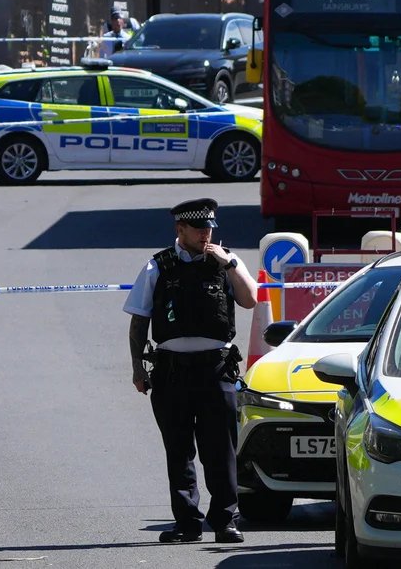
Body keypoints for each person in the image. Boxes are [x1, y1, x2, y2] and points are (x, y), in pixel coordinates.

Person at [123, 198, 257, 545]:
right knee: (179, 450)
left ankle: (226, 521)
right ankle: (187, 523)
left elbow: (249, 300)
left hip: (216, 370)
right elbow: (139, 323)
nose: (205, 234)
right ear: (179, 230)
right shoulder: (158, 266)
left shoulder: (226, 261)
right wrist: (138, 368)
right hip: (172, 371)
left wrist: (227, 263)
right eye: (199, 229)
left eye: (209, 228)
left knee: (220, 450)